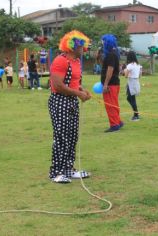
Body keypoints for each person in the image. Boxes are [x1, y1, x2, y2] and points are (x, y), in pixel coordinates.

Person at [48, 30, 92, 183]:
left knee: (72, 136)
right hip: (60, 101)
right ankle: (56, 172)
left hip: (72, 101)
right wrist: (78, 94)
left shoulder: (77, 62)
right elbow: (58, 85)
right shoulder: (61, 61)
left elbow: (74, 83)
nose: (84, 49)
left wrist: (82, 91)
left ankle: (69, 169)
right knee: (61, 137)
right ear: (73, 46)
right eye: (82, 46)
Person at [101, 34, 123, 132]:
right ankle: (118, 121)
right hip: (115, 83)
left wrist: (105, 84)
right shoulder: (115, 53)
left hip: (111, 84)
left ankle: (114, 125)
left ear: (107, 43)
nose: (102, 43)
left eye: (103, 41)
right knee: (114, 103)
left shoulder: (110, 55)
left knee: (110, 105)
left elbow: (110, 70)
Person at [124, 51, 141, 121]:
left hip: (131, 82)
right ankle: (136, 112)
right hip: (136, 82)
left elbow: (125, 76)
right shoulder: (138, 65)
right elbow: (140, 75)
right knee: (129, 98)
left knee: (132, 99)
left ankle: (136, 115)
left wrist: (125, 70)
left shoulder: (130, 65)